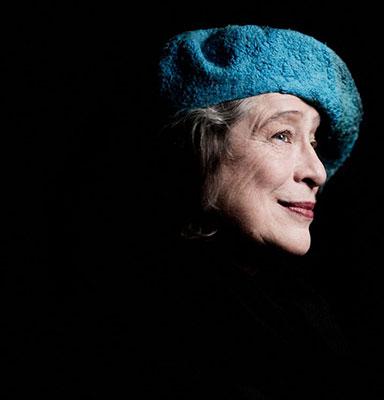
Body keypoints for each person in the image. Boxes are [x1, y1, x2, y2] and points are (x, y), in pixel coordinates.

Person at [125, 25, 366, 399]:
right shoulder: (164, 327)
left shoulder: (300, 309)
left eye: (314, 141)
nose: (318, 172)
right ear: (202, 147)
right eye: (282, 135)